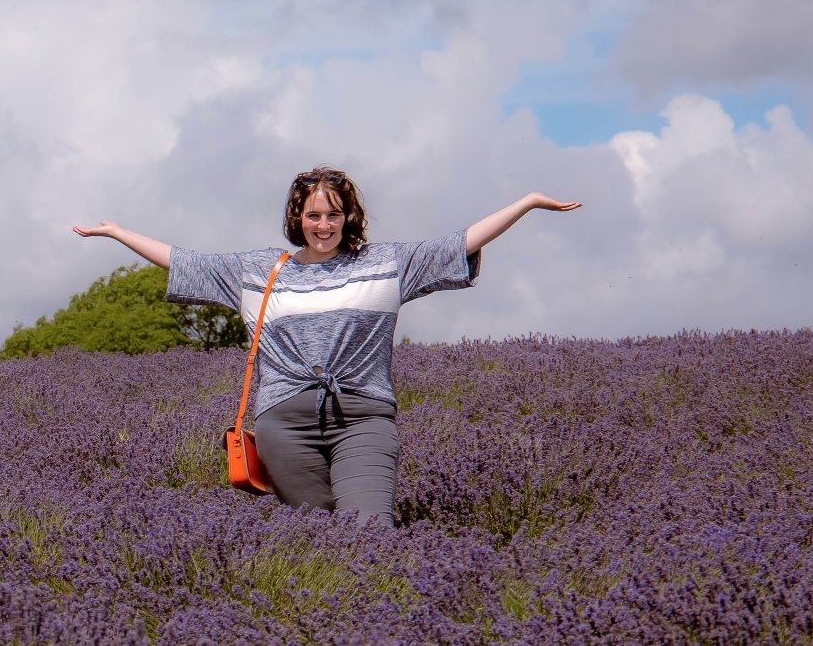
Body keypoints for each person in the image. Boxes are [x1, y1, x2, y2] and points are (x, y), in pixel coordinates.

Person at [72, 166, 580, 526]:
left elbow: (459, 243)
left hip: (363, 416)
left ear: (348, 217)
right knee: (317, 534)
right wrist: (119, 233)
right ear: (298, 218)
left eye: (333, 214)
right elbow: (186, 263)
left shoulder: (385, 264)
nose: (323, 225)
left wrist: (527, 203)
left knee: (367, 530)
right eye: (313, 215)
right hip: (282, 423)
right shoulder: (260, 271)